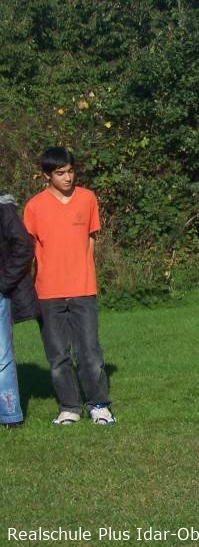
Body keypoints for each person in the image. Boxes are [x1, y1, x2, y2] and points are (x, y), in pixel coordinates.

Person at [23, 147, 116, 425]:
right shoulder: (34, 207)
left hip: (83, 289)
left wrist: (83, 272)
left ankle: (99, 405)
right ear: (46, 176)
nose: (68, 177)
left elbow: (91, 239)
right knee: (58, 356)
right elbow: (28, 250)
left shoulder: (87, 199)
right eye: (60, 173)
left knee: (90, 352)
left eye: (71, 171)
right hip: (47, 293)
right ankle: (69, 407)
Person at [0, 191, 39, 429]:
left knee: (1, 357)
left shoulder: (3, 208)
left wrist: (3, 283)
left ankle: (10, 415)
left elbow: (24, 246)